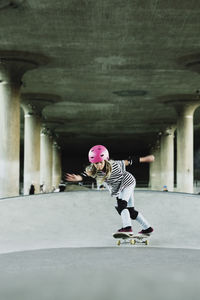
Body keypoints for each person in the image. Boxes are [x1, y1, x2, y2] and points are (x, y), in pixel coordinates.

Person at [66, 145, 154, 235]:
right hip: (119, 188)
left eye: (100, 162)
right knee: (130, 211)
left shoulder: (113, 164)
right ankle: (147, 228)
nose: (99, 165)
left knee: (121, 205)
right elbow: (86, 174)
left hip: (127, 182)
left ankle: (127, 228)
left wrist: (146, 159)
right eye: (96, 163)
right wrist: (78, 177)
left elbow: (129, 161)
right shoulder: (93, 170)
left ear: (105, 160)